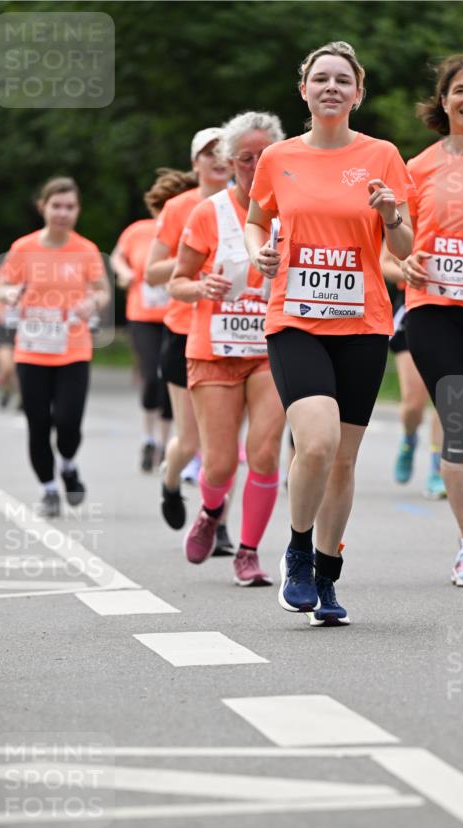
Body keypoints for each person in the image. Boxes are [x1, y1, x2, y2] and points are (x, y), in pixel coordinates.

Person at [245, 40, 412, 624]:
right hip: (294, 318)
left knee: (342, 460)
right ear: (304, 90)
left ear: (358, 93)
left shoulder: (383, 156)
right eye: (321, 79)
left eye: (343, 80)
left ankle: (327, 574)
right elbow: (256, 219)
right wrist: (257, 255)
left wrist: (391, 213)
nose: (332, 87)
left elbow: (405, 245)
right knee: (315, 442)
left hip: (363, 322)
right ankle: (295, 547)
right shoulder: (278, 157)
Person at [384, 55, 463, 586]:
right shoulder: (417, 167)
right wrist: (403, 263)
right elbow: (386, 250)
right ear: (443, 100)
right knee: (460, 419)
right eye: (459, 90)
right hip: (432, 307)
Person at [170, 111, 286, 586]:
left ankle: (249, 551)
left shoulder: (291, 209)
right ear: (228, 161)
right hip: (214, 350)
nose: (255, 166)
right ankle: (211, 509)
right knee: (219, 464)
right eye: (245, 159)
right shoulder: (209, 212)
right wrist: (201, 288)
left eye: (264, 157)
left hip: (270, 348)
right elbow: (176, 282)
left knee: (264, 453)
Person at [0, 177, 110, 517]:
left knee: (69, 421)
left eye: (70, 207)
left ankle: (69, 464)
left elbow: (102, 291)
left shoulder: (86, 250)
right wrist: (8, 294)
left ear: (77, 210)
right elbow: (5, 284)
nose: (63, 213)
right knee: (38, 423)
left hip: (72, 349)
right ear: (42, 207)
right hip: (31, 350)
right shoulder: (23, 248)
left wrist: (93, 303)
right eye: (56, 206)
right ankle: (48, 489)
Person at [145, 129, 231, 544]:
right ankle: (171, 475)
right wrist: (193, 259)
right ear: (195, 162)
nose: (218, 160)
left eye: (224, 152)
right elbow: (152, 271)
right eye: (208, 154)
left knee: (227, 442)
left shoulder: (247, 203)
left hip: (236, 332)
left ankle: (221, 524)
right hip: (185, 331)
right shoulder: (180, 208)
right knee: (193, 438)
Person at [111, 169, 193, 471]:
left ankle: (162, 441)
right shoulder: (138, 231)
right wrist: (125, 272)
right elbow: (117, 256)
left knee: (171, 377)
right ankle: (147, 437)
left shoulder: (189, 230)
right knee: (150, 375)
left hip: (179, 315)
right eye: (163, 206)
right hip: (143, 316)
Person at [384, 272, 446, 496]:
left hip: (452, 315)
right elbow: (385, 262)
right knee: (413, 405)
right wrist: (408, 272)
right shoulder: (409, 233)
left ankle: (437, 469)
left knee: (444, 399)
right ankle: (409, 440)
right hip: (413, 311)